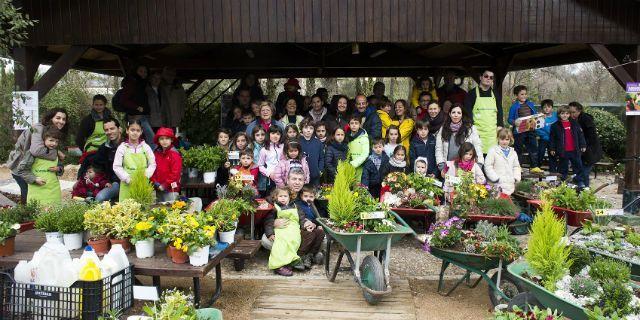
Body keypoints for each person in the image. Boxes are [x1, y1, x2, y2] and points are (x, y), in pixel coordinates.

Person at [262, 169, 325, 268]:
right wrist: (274, 222)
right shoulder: (278, 195)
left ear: (304, 181)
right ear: (287, 180)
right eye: (294, 179)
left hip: (302, 230)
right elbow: (265, 216)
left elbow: (318, 215)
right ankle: (305, 256)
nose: (297, 182)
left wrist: (313, 223)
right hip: (284, 231)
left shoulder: (307, 195)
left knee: (321, 235)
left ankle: (305, 256)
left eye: (300, 179)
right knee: (265, 240)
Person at [6, 108, 68, 204]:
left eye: (64, 119)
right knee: (28, 196)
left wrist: (59, 166)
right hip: (21, 166)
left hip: (34, 168)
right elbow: (37, 151)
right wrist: (57, 153)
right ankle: (25, 217)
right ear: (50, 118)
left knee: (37, 197)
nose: (61, 121)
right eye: (58, 118)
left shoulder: (52, 132)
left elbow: (50, 154)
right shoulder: (39, 128)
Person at [16, 127, 64, 206]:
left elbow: (61, 167)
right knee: (37, 215)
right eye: (51, 140)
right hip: (37, 191)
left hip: (54, 191)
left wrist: (59, 169)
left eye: (56, 141)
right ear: (43, 139)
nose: (54, 144)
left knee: (54, 214)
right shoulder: (32, 154)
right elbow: (22, 170)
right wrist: (34, 179)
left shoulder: (56, 153)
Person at [113, 120, 156, 201]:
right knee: (127, 209)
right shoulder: (122, 147)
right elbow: (117, 166)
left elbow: (152, 164)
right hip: (127, 183)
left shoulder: (146, 147)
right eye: (132, 130)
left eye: (138, 130)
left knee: (142, 207)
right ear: (127, 130)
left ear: (141, 132)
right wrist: (127, 178)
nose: (135, 133)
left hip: (142, 182)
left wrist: (146, 175)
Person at [435, 103, 484, 174]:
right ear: (449, 114)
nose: (456, 115)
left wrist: (479, 164)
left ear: (462, 115)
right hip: (448, 168)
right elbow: (439, 149)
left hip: (467, 169)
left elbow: (478, 147)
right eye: (453, 112)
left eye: (459, 113)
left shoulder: (470, 128)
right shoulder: (443, 128)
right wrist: (442, 166)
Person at [463, 69, 503, 155]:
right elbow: (467, 112)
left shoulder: (495, 94)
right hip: (477, 132)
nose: (488, 79)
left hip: (492, 134)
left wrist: (500, 126)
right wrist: (470, 127)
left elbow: (500, 110)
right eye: (486, 76)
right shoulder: (471, 94)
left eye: (491, 77)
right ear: (480, 77)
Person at [267, 187, 304, 276]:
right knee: (281, 242)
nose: (283, 198)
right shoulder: (274, 207)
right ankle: (278, 266)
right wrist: (270, 233)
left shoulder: (295, 206)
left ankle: (289, 261)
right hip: (281, 229)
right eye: (280, 196)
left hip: (294, 228)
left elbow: (302, 218)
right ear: (276, 197)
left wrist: (305, 225)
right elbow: (268, 221)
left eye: (285, 196)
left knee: (294, 240)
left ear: (289, 197)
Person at [120, 64, 156, 150]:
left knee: (144, 139)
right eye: (141, 71)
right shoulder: (132, 83)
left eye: (145, 72)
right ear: (136, 71)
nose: (143, 73)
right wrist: (137, 107)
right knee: (151, 138)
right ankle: (155, 160)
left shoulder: (144, 83)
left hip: (145, 115)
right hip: (137, 116)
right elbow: (124, 100)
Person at [549, 105, 586, 187]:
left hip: (574, 150)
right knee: (563, 167)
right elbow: (552, 138)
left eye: (567, 113)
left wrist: (583, 145)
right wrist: (552, 148)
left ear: (569, 114)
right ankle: (563, 182)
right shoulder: (555, 126)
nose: (565, 115)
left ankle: (580, 181)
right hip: (563, 151)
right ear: (559, 114)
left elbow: (580, 135)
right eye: (562, 113)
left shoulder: (575, 124)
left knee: (578, 166)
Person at [569, 102, 603, 187]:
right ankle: (584, 191)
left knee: (583, 173)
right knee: (582, 174)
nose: (571, 114)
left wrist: (583, 146)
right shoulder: (572, 120)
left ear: (579, 111)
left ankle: (583, 190)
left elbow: (591, 136)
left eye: (573, 112)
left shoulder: (586, 119)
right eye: (570, 112)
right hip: (580, 151)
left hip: (590, 151)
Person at [508, 85, 539, 171]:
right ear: (516, 95)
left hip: (530, 130)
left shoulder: (530, 104)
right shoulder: (514, 106)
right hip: (519, 131)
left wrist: (537, 117)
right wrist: (515, 122)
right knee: (518, 149)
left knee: (533, 147)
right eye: (522, 94)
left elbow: (534, 115)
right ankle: (518, 167)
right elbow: (509, 120)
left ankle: (534, 167)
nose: (524, 96)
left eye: (525, 94)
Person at [92, 117, 123, 202]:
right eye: (106, 130)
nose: (109, 132)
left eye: (112, 128)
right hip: (113, 183)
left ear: (119, 129)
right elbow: (97, 168)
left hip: (128, 182)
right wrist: (104, 181)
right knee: (99, 198)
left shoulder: (128, 144)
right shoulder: (104, 148)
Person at [484, 129, 522, 196]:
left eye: (507, 139)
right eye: (502, 139)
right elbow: (488, 166)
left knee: (508, 203)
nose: (504, 142)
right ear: (498, 139)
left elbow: (516, 166)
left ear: (510, 140)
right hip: (496, 185)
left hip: (510, 185)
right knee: (498, 204)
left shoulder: (513, 152)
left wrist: (516, 178)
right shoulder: (493, 151)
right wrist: (495, 178)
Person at [295, 184, 326, 267]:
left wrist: (317, 224)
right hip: (302, 226)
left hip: (313, 225)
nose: (308, 199)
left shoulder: (316, 205)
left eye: (311, 196)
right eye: (305, 196)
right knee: (310, 235)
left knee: (320, 233)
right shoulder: (298, 205)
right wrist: (306, 223)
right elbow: (299, 217)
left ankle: (311, 255)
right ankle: (301, 256)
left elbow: (319, 217)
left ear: (314, 196)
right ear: (301, 196)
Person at [151, 127, 182, 202]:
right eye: (161, 139)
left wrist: (165, 185)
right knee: (160, 210)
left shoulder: (175, 154)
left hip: (172, 189)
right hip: (159, 188)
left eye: (167, 138)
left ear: (171, 140)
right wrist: (155, 182)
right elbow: (152, 168)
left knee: (172, 209)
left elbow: (175, 174)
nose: (164, 141)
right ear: (158, 140)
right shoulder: (156, 154)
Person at [257, 125, 284, 196]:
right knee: (272, 198)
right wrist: (269, 173)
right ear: (268, 135)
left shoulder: (284, 147)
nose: (275, 136)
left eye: (278, 134)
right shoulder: (264, 150)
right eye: (273, 133)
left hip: (284, 176)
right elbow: (260, 166)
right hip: (271, 178)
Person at [298, 119, 324, 186]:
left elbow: (321, 158)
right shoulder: (298, 142)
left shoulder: (318, 142)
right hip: (300, 175)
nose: (308, 130)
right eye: (306, 127)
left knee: (314, 194)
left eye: (311, 128)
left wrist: (320, 170)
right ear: (301, 128)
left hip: (315, 175)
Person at [536, 99, 558, 173]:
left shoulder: (556, 115)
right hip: (544, 139)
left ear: (552, 108)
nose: (547, 108)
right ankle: (537, 168)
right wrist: (546, 134)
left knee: (552, 155)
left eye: (549, 107)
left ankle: (553, 172)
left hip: (553, 140)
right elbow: (538, 129)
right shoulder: (540, 116)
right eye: (545, 107)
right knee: (540, 153)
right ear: (542, 108)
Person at [347, 115, 370, 182]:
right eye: (352, 123)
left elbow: (365, 153)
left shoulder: (364, 138)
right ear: (349, 124)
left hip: (359, 166)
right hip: (347, 166)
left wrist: (354, 164)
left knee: (357, 186)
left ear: (360, 125)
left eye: (356, 123)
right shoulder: (346, 136)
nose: (354, 125)